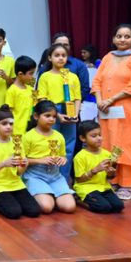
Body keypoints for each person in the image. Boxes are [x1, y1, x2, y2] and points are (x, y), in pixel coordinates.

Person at [92, 24, 131, 200]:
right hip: (106, 109)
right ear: (113, 38)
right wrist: (99, 101)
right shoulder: (107, 57)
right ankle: (112, 180)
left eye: (127, 36)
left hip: (127, 110)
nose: (122, 39)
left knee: (125, 145)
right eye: (119, 36)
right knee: (108, 144)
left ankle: (126, 185)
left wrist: (110, 100)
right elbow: (97, 81)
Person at [0, 106, 40, 219]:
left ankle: (10, 199)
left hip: (15, 184)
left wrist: (24, 164)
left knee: (34, 211)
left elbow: (18, 173)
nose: (9, 127)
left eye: (11, 124)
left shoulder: (17, 143)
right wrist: (3, 164)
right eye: (4, 124)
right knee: (15, 212)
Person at [21, 100, 75, 214]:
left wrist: (63, 159)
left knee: (69, 207)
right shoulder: (28, 136)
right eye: (47, 116)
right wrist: (40, 160)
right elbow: (22, 160)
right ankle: (40, 193)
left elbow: (63, 156)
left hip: (55, 176)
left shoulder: (59, 136)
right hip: (35, 176)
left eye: (54, 117)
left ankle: (50, 194)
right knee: (47, 207)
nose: (51, 119)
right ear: (36, 116)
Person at [37, 44, 81, 181]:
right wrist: (56, 115)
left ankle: (64, 178)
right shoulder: (45, 76)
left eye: (63, 55)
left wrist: (75, 114)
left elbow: (77, 97)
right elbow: (42, 98)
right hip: (51, 111)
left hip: (70, 109)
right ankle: (49, 178)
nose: (60, 58)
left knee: (68, 146)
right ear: (50, 58)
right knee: (52, 144)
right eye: (57, 55)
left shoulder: (73, 76)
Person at [73, 121, 124, 213]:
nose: (99, 138)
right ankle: (79, 200)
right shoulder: (80, 157)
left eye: (100, 135)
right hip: (86, 187)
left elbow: (109, 178)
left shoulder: (107, 154)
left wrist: (111, 174)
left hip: (103, 186)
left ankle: (95, 200)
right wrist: (94, 170)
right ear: (83, 138)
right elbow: (79, 180)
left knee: (119, 206)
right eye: (94, 136)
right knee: (104, 207)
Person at [36, 33, 90, 103]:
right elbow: (39, 91)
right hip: (50, 110)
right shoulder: (45, 67)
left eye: (66, 45)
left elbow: (84, 89)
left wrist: (74, 104)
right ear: (52, 46)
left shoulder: (80, 65)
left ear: (70, 46)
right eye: (59, 44)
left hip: (72, 108)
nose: (62, 47)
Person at [6, 56, 37, 136]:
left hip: (31, 129)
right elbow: (9, 112)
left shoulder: (31, 89)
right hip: (17, 131)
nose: (33, 77)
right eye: (31, 73)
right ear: (20, 74)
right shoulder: (12, 90)